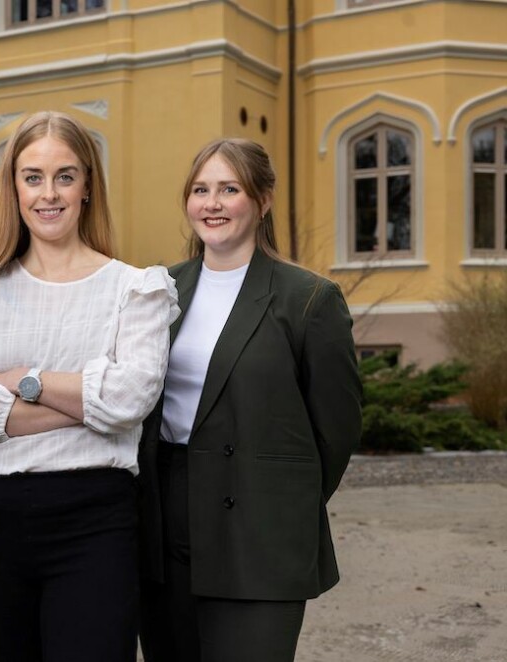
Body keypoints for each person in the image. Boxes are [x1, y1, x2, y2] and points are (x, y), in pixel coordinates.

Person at [0, 111, 179, 662]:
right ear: (13, 187)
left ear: (88, 185)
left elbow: (132, 401)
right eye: (33, 176)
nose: (49, 194)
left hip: (95, 520)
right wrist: (93, 400)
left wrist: (26, 382)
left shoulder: (135, 289)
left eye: (65, 176)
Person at [137, 138, 363, 662]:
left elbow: (337, 432)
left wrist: (277, 498)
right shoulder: (160, 289)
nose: (211, 204)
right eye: (200, 190)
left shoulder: (308, 299)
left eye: (229, 189)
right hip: (165, 525)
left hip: (258, 528)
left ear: (262, 200)